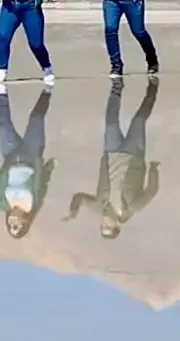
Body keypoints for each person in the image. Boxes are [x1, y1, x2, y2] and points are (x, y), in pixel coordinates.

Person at [64, 76, 161, 238]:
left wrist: (73, 212)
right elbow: (151, 190)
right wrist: (153, 168)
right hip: (134, 154)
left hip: (111, 152)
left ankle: (117, 86)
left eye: (102, 226)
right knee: (139, 119)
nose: (104, 222)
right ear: (117, 225)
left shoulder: (97, 206)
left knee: (110, 121)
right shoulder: (134, 207)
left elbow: (79, 197)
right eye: (107, 225)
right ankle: (153, 87)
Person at [0, 85, 55, 238]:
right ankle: (48, 89)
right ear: (24, 223)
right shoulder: (34, 203)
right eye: (16, 226)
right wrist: (50, 166)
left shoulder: (3, 204)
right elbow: (43, 183)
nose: (11, 222)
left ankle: (2, 91)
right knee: (36, 118)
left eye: (9, 226)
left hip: (11, 155)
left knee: (3, 123)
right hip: (31, 155)